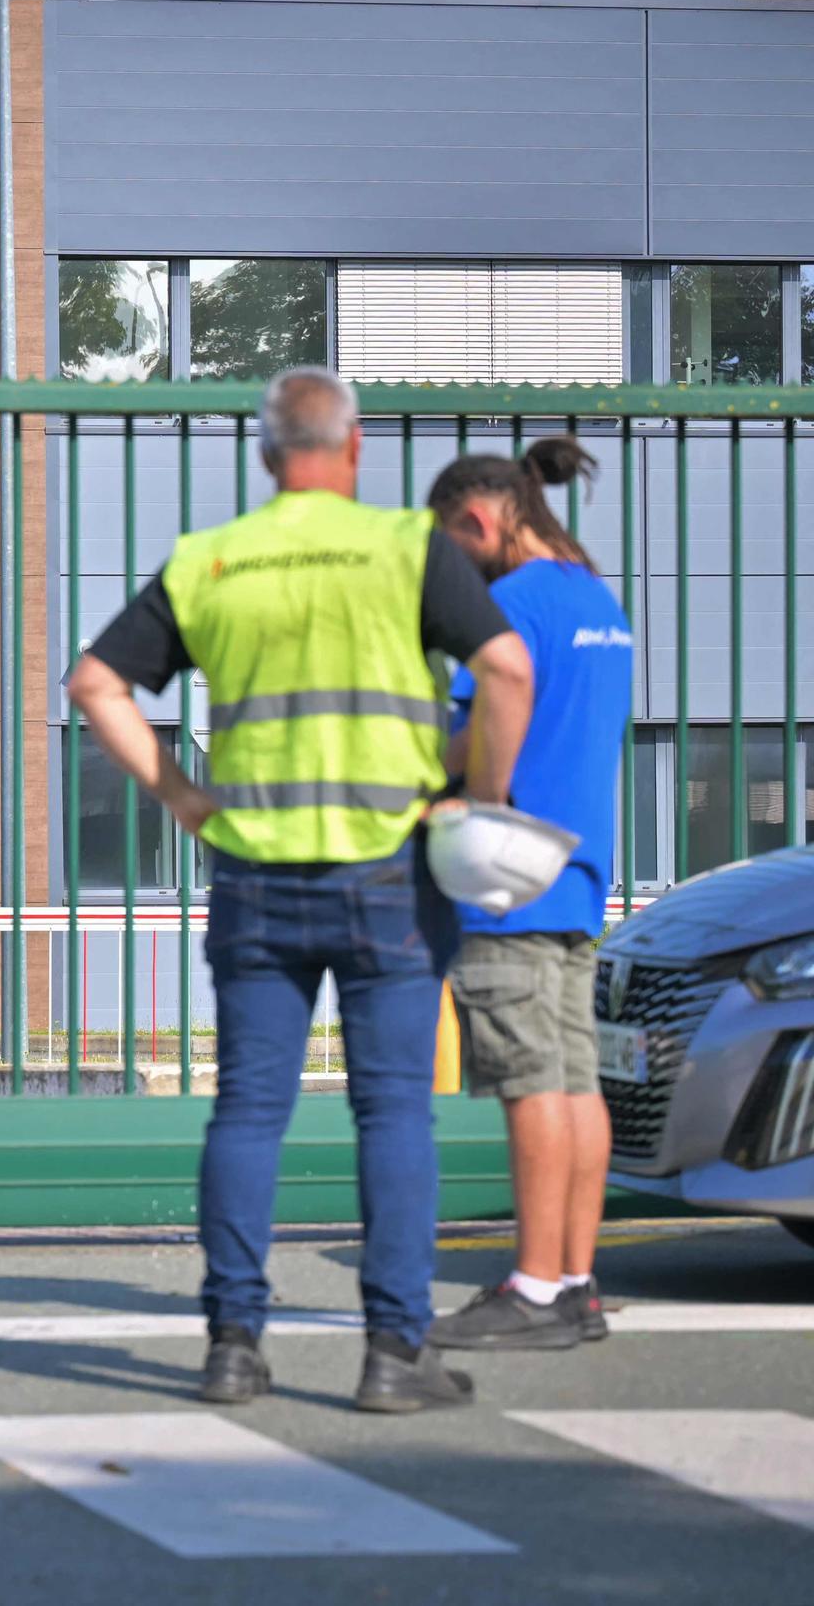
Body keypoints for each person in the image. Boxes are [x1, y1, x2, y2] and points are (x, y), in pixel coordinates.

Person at [65, 365, 534, 1416]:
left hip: (255, 873)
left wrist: (181, 796)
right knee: (392, 1114)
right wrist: (478, 799)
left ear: (268, 453)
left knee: (246, 1111)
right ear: (353, 448)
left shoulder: (212, 559)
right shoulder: (403, 549)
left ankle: (233, 1346)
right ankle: (390, 1353)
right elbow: (506, 671)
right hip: (388, 872)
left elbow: (94, 683)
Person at [421, 439, 633, 1351]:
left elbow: (477, 728)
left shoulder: (508, 606)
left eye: (449, 550)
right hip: (579, 872)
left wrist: (453, 786)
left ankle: (535, 1287)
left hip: (511, 876)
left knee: (528, 1082)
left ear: (477, 522)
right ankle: (577, 1282)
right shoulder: (598, 599)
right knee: (577, 1079)